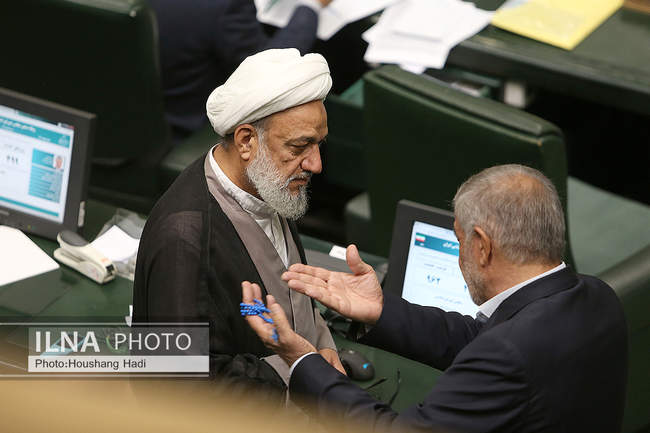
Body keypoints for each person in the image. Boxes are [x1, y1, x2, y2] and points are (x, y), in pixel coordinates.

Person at [243, 164, 628, 432]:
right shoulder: (599, 297)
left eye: (460, 241)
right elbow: (484, 338)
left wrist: (303, 361)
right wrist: (380, 311)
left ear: (482, 246)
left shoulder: (507, 354)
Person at [133, 48, 343, 400]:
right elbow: (182, 383)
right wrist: (302, 369)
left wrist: (322, 347)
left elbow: (292, 299)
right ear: (246, 141)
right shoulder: (182, 239)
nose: (316, 164)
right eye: (300, 146)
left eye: (318, 144)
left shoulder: (268, 181)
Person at [150, 0, 332, 142]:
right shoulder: (226, 6)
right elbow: (268, 69)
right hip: (193, 126)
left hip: (145, 116)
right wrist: (311, 7)